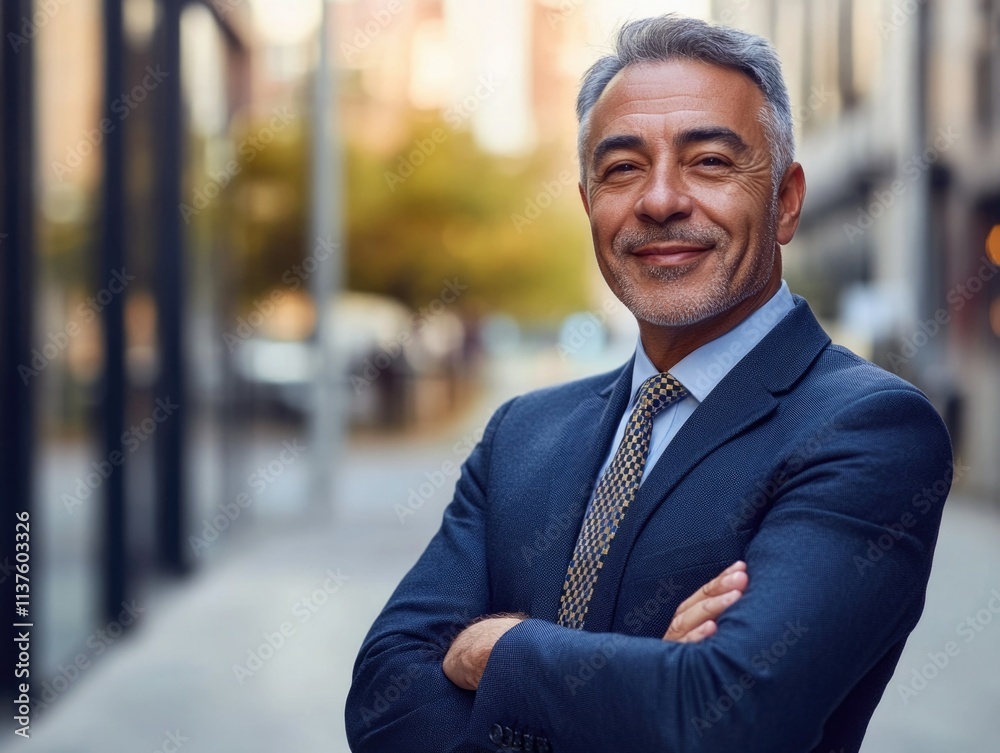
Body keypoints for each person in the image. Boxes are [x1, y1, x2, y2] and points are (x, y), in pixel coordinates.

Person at [345, 14, 953, 753]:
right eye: (623, 167)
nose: (660, 199)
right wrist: (642, 679)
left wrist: (492, 649)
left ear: (787, 201)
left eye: (709, 162)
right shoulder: (521, 433)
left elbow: (725, 717)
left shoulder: (869, 429)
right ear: (587, 204)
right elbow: (382, 703)